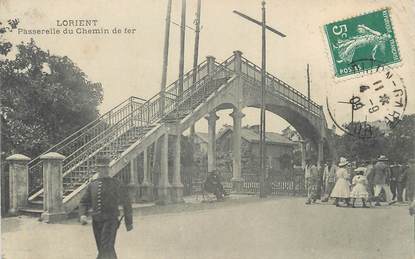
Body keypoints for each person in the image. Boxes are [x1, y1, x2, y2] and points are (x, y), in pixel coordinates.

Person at [79, 156, 133, 259]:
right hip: (96, 222)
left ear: (109, 169)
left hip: (111, 221)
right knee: (103, 248)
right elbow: (83, 201)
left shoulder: (116, 184)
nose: (105, 170)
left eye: (106, 168)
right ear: (97, 169)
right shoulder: (92, 185)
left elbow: (127, 202)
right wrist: (82, 214)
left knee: (105, 247)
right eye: (102, 168)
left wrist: (128, 222)